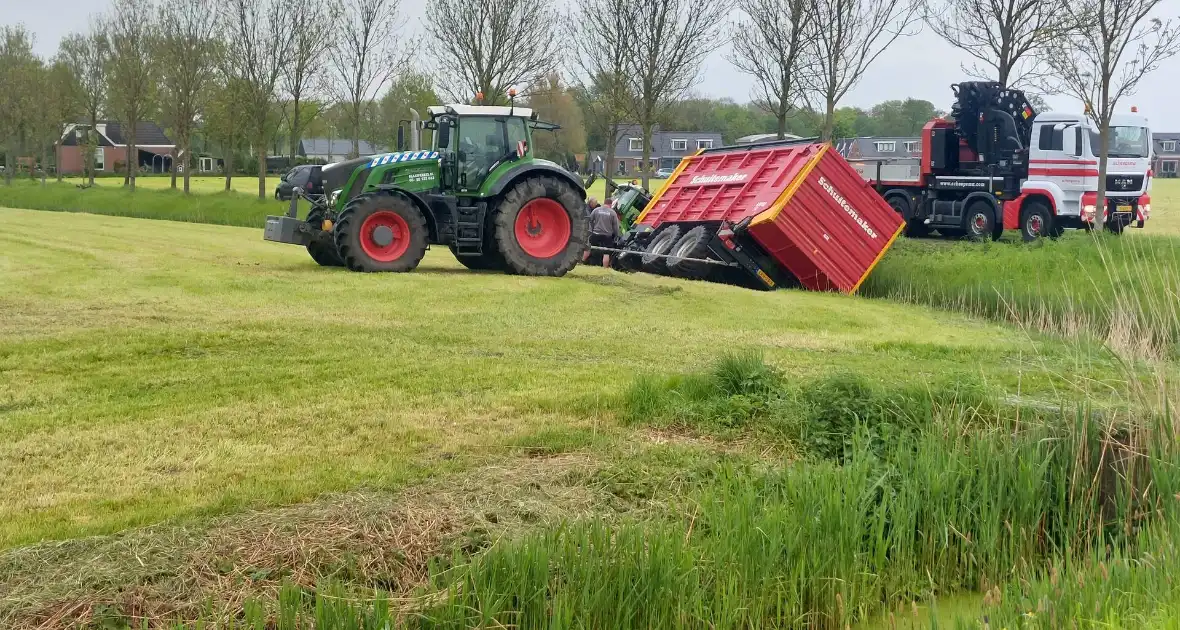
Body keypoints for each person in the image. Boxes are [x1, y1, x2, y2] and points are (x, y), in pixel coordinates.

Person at [586, 197, 621, 267]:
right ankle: (604, 268)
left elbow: (590, 220)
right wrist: (617, 235)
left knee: (588, 248)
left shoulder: (596, 210)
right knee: (606, 253)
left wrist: (592, 229)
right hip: (607, 236)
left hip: (595, 234)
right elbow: (615, 226)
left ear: (604, 203)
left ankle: (581, 262)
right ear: (610, 204)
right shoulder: (612, 213)